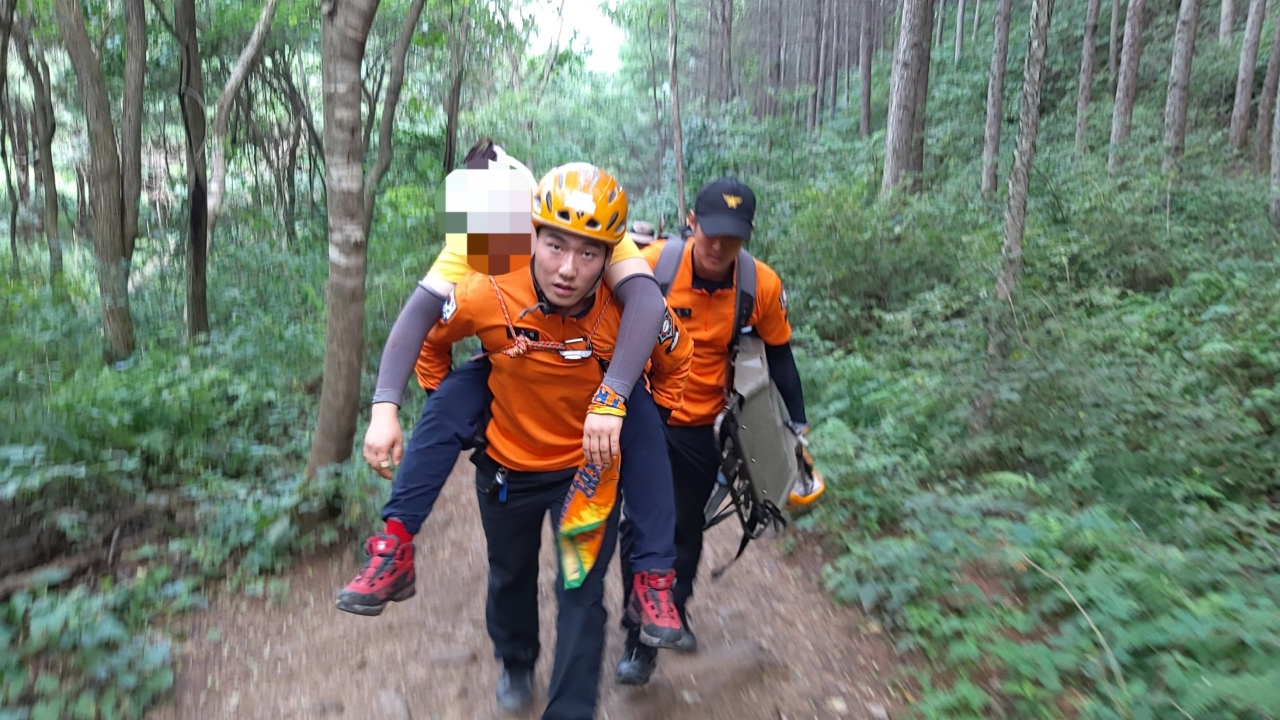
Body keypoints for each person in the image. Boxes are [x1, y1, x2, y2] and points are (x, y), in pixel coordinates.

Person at [338, 141, 686, 655]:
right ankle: (395, 545)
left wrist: (623, 400)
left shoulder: (585, 227)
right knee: (451, 400)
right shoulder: (482, 239)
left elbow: (649, 307)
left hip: (599, 384)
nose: (568, 266)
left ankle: (654, 575)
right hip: (505, 366)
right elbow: (421, 321)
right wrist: (392, 406)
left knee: (642, 417)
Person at [421, 163, 692, 718]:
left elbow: (676, 357)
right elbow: (430, 338)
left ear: (610, 256)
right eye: (555, 246)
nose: (568, 269)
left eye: (588, 253)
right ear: (531, 236)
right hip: (507, 464)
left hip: (587, 473)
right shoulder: (489, 285)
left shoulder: (630, 305)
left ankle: (570, 708)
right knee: (510, 572)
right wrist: (457, 408)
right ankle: (516, 660)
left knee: (581, 590)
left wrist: (645, 418)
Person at [614, 177, 825, 686]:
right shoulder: (650, 267)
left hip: (703, 425)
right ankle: (638, 638)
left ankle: (675, 607)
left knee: (686, 526)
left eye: (732, 237)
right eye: (711, 233)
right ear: (692, 223)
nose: (718, 246)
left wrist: (797, 428)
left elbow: (780, 357)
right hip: (644, 416)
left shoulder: (759, 286)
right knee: (641, 525)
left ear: (746, 236)